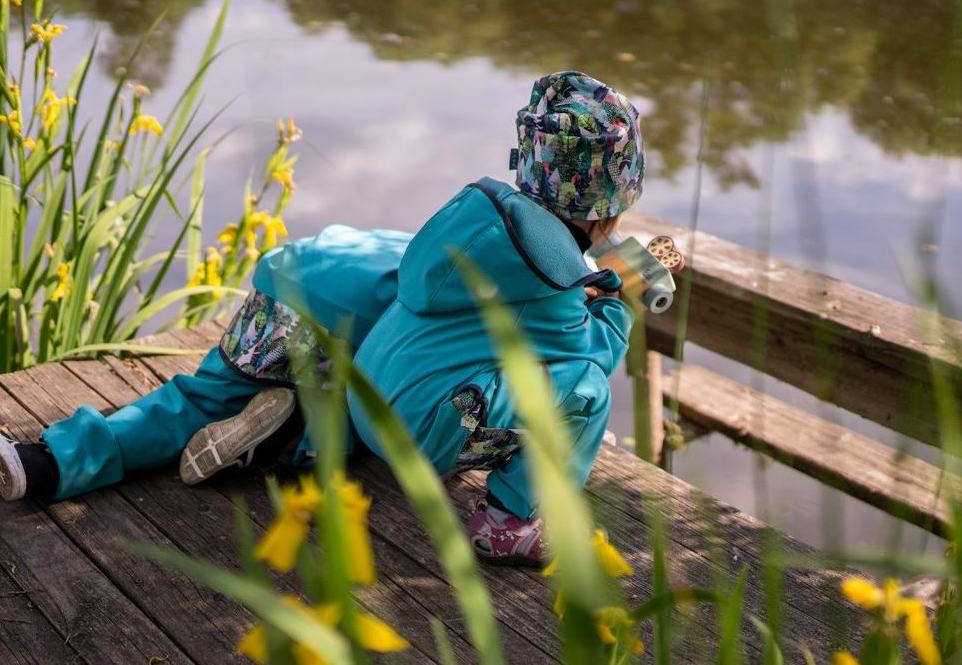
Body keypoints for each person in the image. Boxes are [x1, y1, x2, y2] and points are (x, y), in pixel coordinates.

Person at [0, 71, 669, 567]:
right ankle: (298, 439)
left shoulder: (470, 227)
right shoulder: (549, 274)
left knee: (195, 398)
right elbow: (584, 358)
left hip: (290, 288)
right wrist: (616, 298)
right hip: (359, 346)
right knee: (433, 399)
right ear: (608, 203)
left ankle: (46, 461)